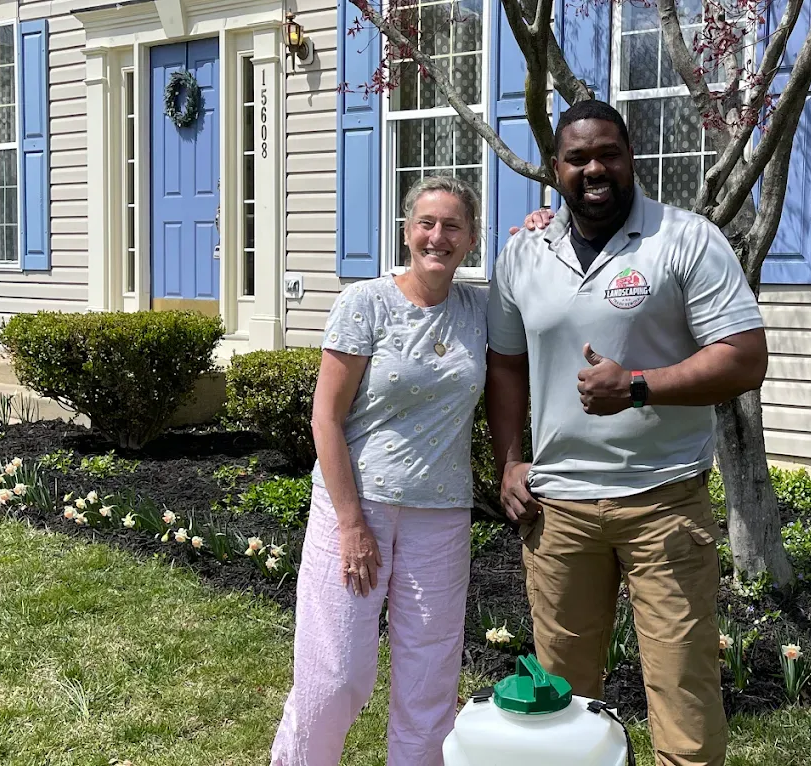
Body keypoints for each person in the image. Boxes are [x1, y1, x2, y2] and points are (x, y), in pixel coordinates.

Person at [485, 99, 768, 766]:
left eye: (608, 152)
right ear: (555, 169)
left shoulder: (686, 238)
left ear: (631, 157)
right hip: (558, 513)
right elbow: (505, 363)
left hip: (663, 501)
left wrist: (637, 385)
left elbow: (745, 356)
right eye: (577, 157)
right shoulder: (524, 252)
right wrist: (509, 462)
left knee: (684, 695)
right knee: (561, 698)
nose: (594, 168)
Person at [272, 176, 487, 766]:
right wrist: (350, 523)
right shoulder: (365, 303)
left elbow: (538, 288)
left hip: (440, 518)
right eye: (426, 223)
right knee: (335, 672)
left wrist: (541, 232)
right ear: (407, 231)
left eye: (452, 226)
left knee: (429, 680)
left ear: (471, 239)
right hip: (356, 507)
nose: (437, 236)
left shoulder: (479, 310)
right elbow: (325, 418)